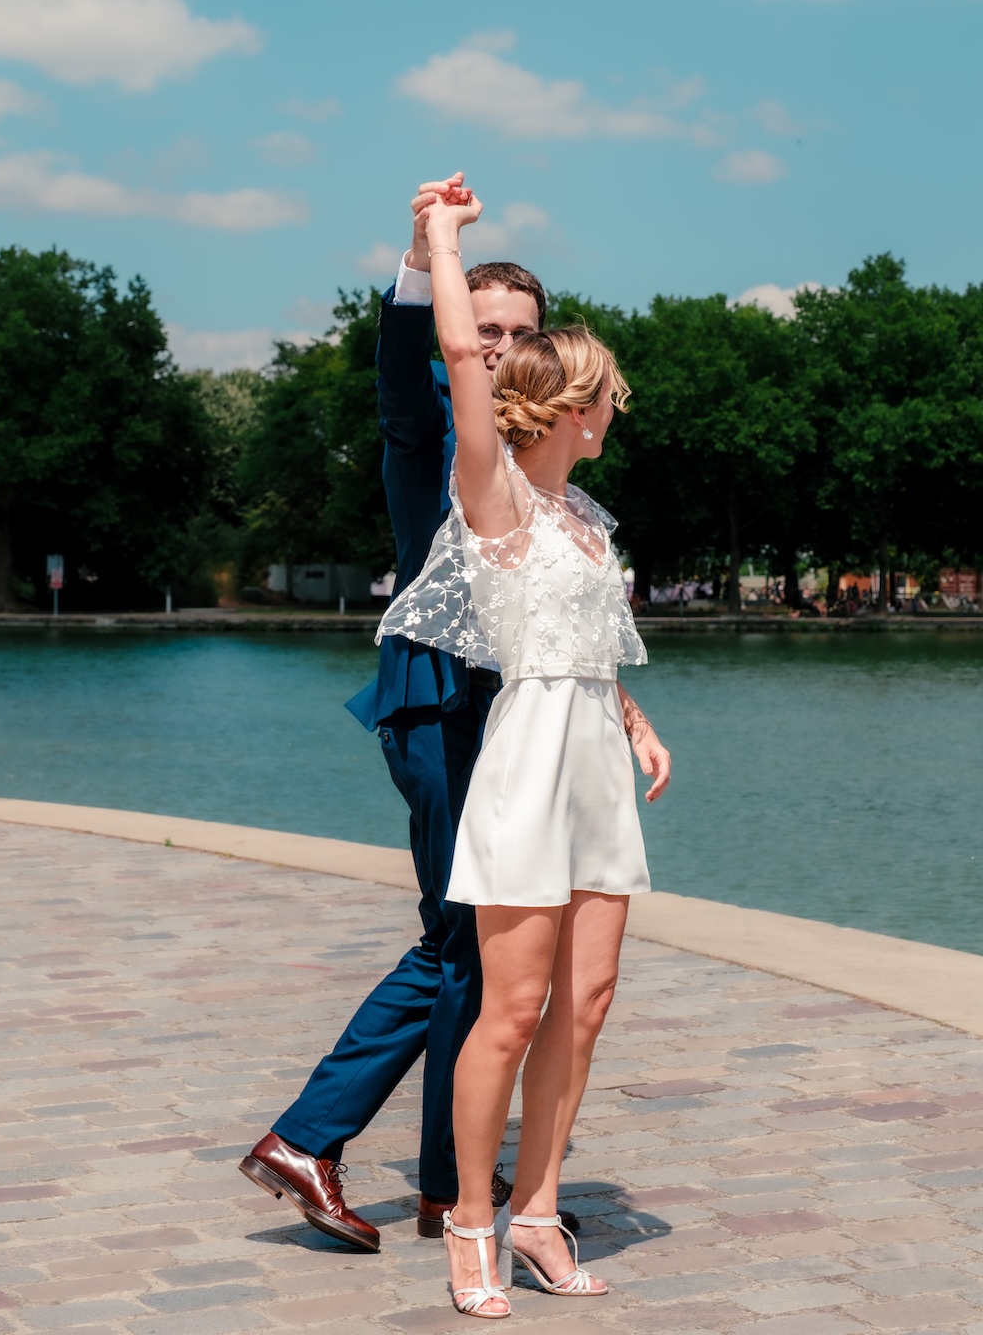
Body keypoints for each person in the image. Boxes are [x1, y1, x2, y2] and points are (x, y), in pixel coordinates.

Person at [239, 177, 661, 1247]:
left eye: (523, 331)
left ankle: (440, 1183)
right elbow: (413, 357)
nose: (499, 343)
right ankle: (317, 1138)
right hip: (440, 708)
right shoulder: (431, 432)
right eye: (482, 327)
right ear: (451, 333)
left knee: (472, 949)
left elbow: (566, 620)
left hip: (522, 719)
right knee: (450, 941)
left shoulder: (558, 486)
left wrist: (621, 708)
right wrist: (427, 253)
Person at [377, 180, 670, 1318]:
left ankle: (539, 1208)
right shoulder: (488, 490)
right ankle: (467, 1224)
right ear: (566, 408)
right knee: (509, 1007)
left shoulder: (588, 522)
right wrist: (441, 241)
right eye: (608, 397)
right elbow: (459, 351)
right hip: (524, 768)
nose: (618, 412)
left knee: (586, 1001)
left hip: (595, 762)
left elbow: (591, 649)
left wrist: (639, 723)